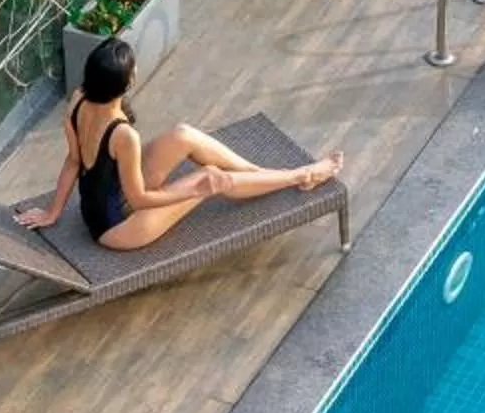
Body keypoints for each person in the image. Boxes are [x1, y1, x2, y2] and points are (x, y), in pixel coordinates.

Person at [18, 38, 345, 252]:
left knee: (184, 134)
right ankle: (300, 176)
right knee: (216, 177)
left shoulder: (78, 99)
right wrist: (196, 189)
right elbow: (141, 199)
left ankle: (260, 174)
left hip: (108, 199)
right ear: (127, 83)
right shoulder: (123, 135)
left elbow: (73, 162)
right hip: (118, 228)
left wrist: (52, 212)